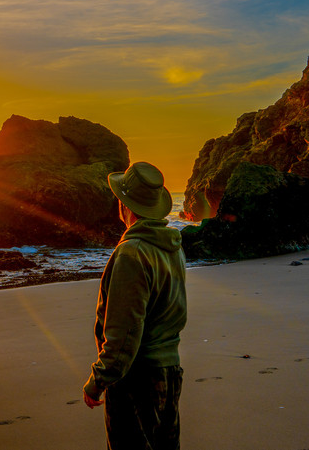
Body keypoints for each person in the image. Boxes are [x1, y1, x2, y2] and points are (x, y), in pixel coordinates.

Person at [83, 161, 188, 450]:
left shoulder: (132, 253)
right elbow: (175, 311)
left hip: (137, 379)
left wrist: (99, 379)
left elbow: (125, 331)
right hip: (169, 370)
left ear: (124, 206)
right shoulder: (173, 246)